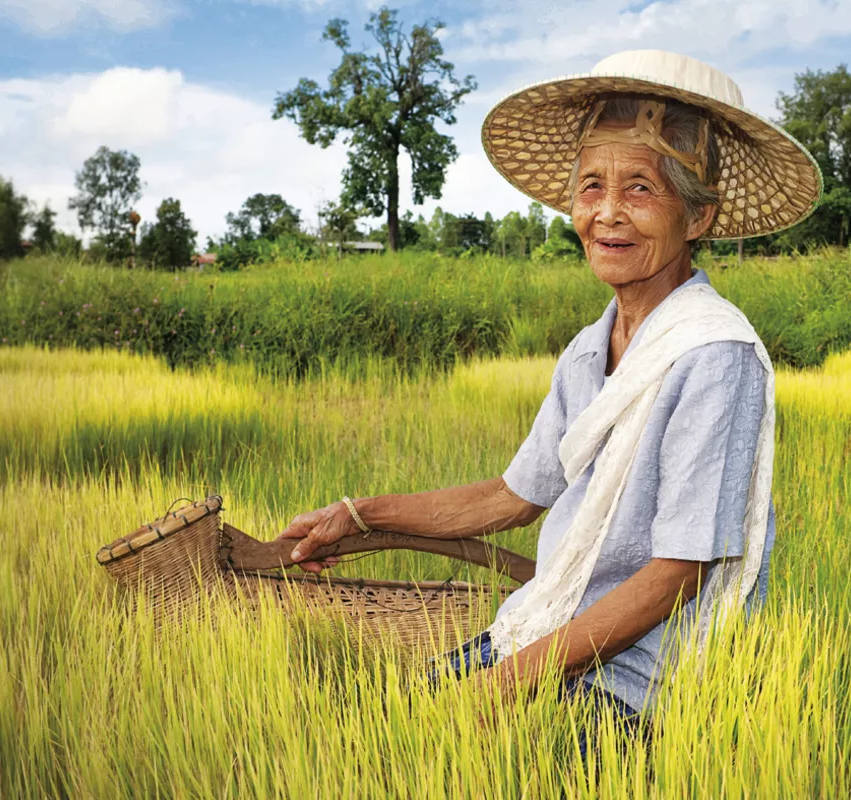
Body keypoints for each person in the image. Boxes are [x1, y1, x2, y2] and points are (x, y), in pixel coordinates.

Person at [276, 49, 822, 757]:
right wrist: (357, 516)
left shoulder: (714, 355)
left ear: (698, 216)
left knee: (440, 751)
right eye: (591, 187)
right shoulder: (589, 351)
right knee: (371, 733)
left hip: (642, 679)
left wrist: (502, 687)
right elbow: (512, 496)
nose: (608, 213)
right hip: (544, 627)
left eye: (641, 189)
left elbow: (677, 574)